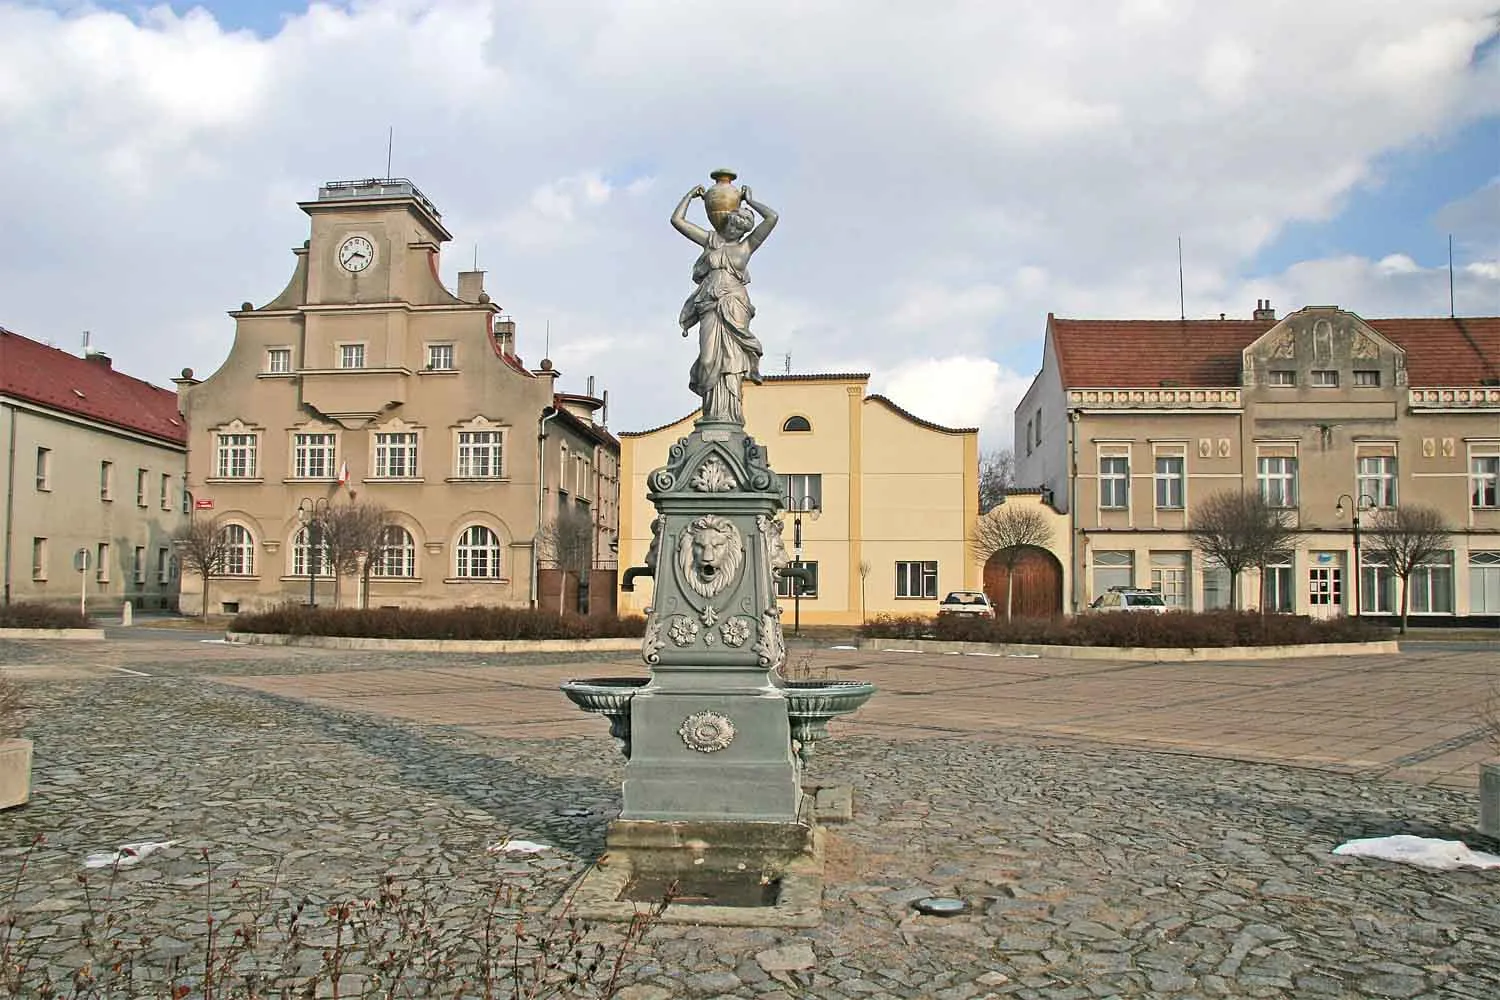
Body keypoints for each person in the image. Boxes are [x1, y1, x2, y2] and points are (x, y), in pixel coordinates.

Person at [671, 183, 778, 424]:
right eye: (732, 226)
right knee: (708, 359)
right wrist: (690, 196)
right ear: (727, 223)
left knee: (733, 360)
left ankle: (731, 415)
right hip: (710, 304)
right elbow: (677, 221)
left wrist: (750, 201)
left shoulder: (746, 246)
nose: (734, 232)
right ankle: (711, 412)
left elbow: (772, 217)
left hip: (735, 305)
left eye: (740, 230)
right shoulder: (710, 241)